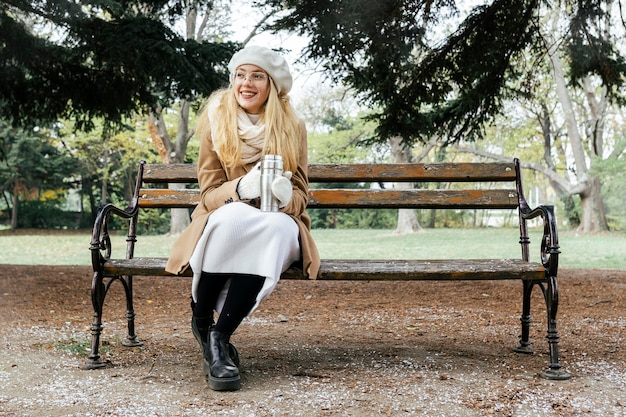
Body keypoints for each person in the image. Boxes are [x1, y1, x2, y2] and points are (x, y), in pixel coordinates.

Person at [165, 45, 320, 391]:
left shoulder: (291, 126)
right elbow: (208, 196)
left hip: (272, 223)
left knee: (275, 227)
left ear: (272, 86)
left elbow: (300, 195)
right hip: (225, 218)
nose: (246, 83)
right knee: (233, 217)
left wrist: (282, 196)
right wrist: (242, 186)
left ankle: (219, 337)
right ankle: (202, 318)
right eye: (240, 75)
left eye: (257, 76)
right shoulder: (216, 122)